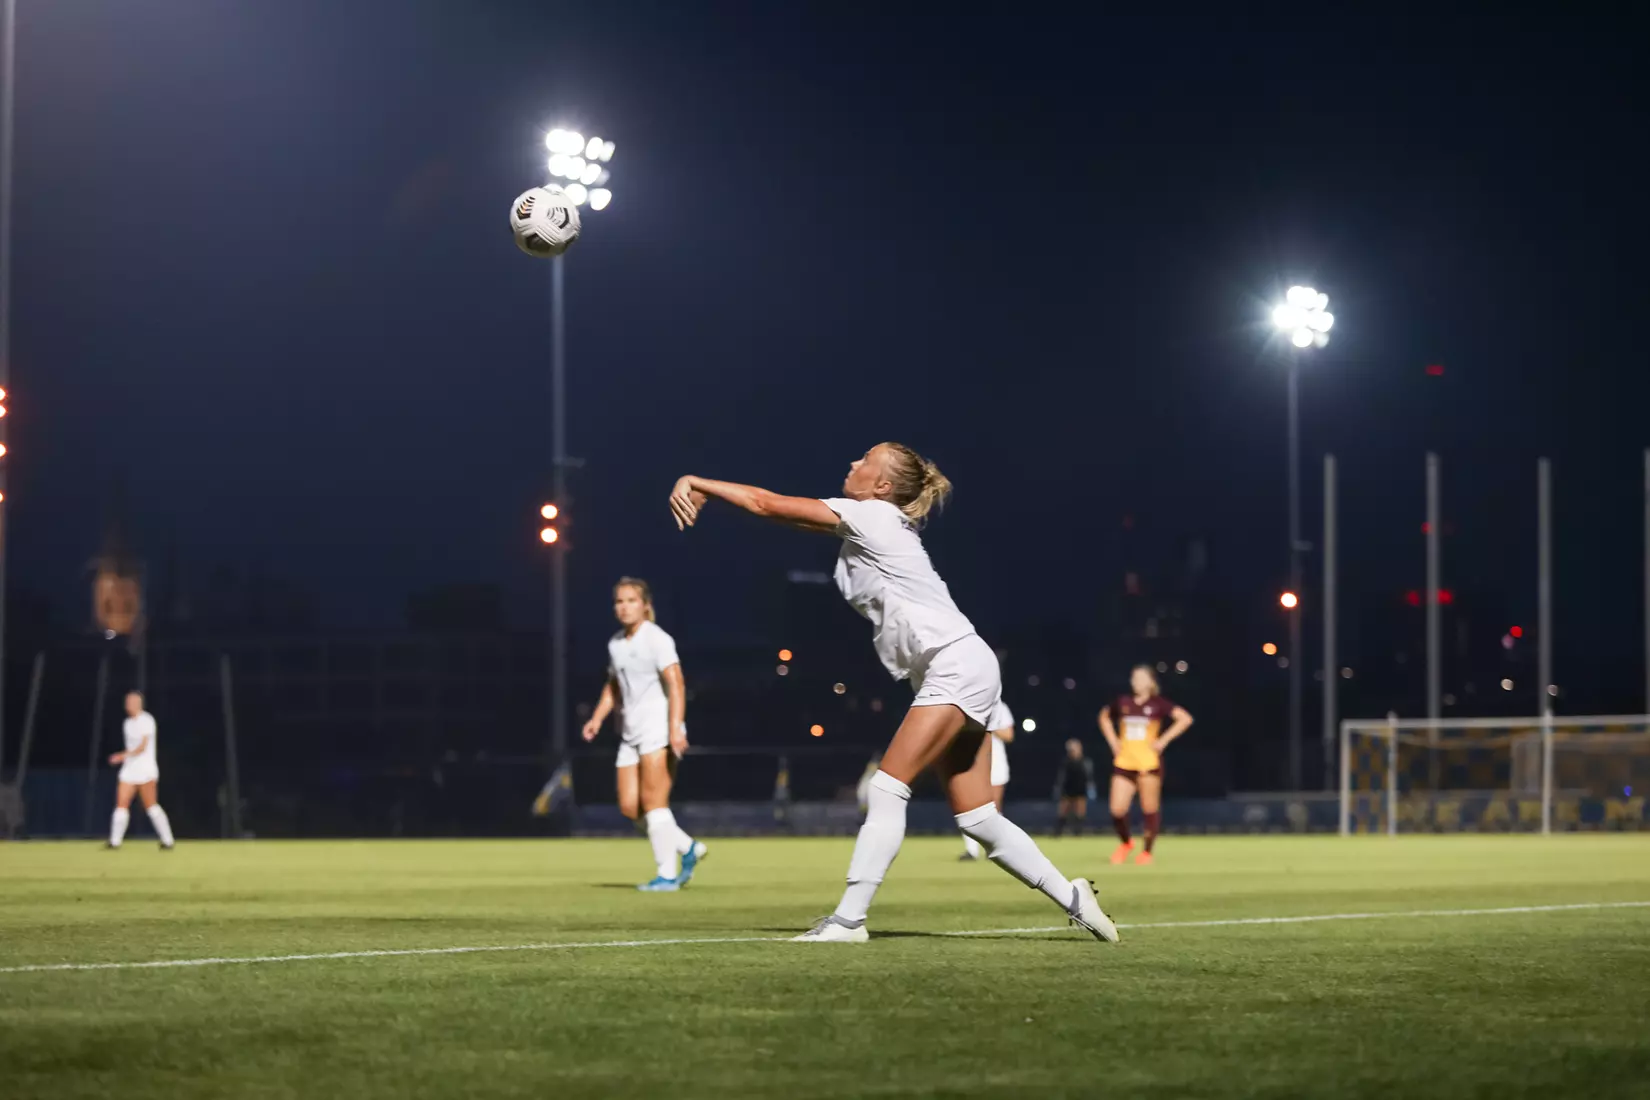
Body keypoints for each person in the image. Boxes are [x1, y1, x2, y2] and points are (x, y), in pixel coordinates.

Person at [669, 443, 1117, 944]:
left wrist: (697, 481)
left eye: (864, 461)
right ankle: (1074, 896)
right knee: (978, 817)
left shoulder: (873, 516)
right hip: (960, 665)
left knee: (886, 788)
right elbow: (793, 518)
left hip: (954, 664)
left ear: (882, 487)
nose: (851, 464)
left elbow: (766, 503)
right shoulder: (870, 522)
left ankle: (849, 920)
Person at [581, 578, 707, 891]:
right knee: (629, 807)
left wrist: (676, 727)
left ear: (645, 605)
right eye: (619, 601)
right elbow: (613, 687)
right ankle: (688, 847)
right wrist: (597, 718)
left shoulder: (657, 639)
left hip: (658, 729)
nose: (623, 607)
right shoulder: (616, 643)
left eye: (630, 600)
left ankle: (666, 875)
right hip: (630, 734)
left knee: (654, 802)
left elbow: (676, 683)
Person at [1098, 664, 1194, 865]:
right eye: (1134, 678)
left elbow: (1185, 719)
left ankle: (1147, 852)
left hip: (1148, 764)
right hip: (1124, 762)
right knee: (1117, 810)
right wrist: (1113, 741)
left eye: (1141, 678)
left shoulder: (1158, 704)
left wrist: (1163, 740)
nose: (1136, 682)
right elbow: (1104, 717)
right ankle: (1126, 843)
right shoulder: (1123, 702)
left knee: (1149, 809)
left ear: (1151, 682)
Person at [106, 691, 176, 850]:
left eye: (131, 702)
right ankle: (114, 842)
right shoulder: (127, 723)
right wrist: (125, 757)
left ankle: (168, 840)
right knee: (121, 804)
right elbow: (131, 747)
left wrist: (121, 756)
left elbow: (142, 747)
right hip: (129, 770)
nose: (128, 705)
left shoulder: (147, 720)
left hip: (146, 769)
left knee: (150, 806)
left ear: (139, 704)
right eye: (127, 702)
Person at [959, 701, 1014, 860]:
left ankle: (998, 847)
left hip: (996, 763)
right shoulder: (966, 703)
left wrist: (988, 726)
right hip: (971, 761)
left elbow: (1009, 735)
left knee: (994, 808)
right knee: (969, 806)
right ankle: (971, 850)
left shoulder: (1000, 707)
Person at [1051, 738, 1097, 837]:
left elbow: (1089, 777)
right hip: (1067, 789)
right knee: (1063, 811)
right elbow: (1061, 777)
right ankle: (1057, 833)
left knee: (1080, 812)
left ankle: (1078, 833)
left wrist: (1091, 789)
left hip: (1080, 789)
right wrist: (1058, 788)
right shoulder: (1065, 762)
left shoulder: (1085, 762)